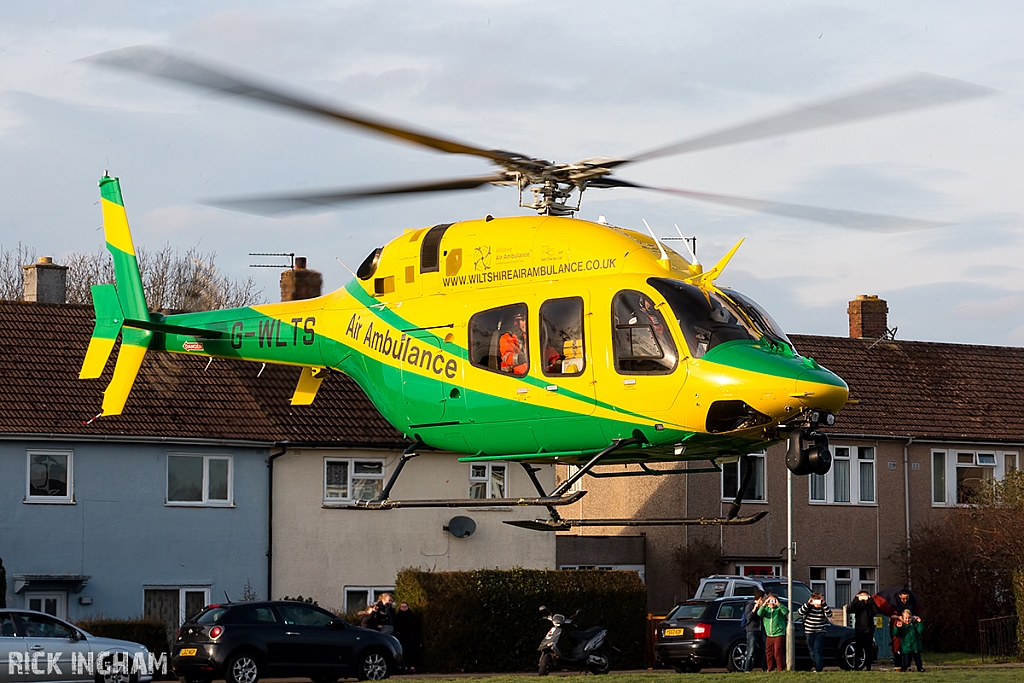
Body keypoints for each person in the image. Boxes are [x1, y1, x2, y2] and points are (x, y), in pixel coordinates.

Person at [798, 592, 833, 673]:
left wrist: (824, 605)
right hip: (809, 631)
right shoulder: (809, 607)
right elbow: (800, 612)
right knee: (812, 651)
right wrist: (808, 604)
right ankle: (816, 665)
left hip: (820, 632)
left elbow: (830, 614)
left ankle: (819, 669)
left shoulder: (823, 608)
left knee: (817, 650)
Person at [847, 590, 879, 670]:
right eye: (862, 596)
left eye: (865, 596)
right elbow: (849, 610)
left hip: (869, 630)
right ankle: (856, 666)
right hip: (859, 630)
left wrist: (870, 600)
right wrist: (856, 599)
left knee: (868, 649)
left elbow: (876, 611)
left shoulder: (870, 605)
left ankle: (868, 667)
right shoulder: (857, 605)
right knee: (858, 649)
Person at [756, 593, 788, 672]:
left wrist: (778, 605)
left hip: (779, 633)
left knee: (777, 652)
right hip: (769, 634)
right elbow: (759, 613)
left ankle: (780, 669)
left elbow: (786, 612)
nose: (772, 603)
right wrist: (764, 604)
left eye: (773, 600)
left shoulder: (779, 609)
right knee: (769, 653)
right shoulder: (766, 609)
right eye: (770, 600)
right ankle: (770, 669)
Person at [741, 589, 766, 672]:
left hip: (760, 630)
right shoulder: (750, 605)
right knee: (750, 650)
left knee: (765, 649)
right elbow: (748, 617)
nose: (765, 600)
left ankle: (764, 668)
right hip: (752, 630)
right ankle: (747, 669)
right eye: (764, 598)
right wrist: (754, 609)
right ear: (760, 599)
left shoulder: (763, 607)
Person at [393, 601, 421, 673]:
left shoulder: (411, 615)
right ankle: (404, 667)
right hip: (401, 637)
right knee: (403, 652)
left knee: (411, 652)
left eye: (405, 607)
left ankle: (411, 666)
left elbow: (415, 626)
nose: (404, 608)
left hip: (411, 637)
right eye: (402, 607)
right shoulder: (398, 616)